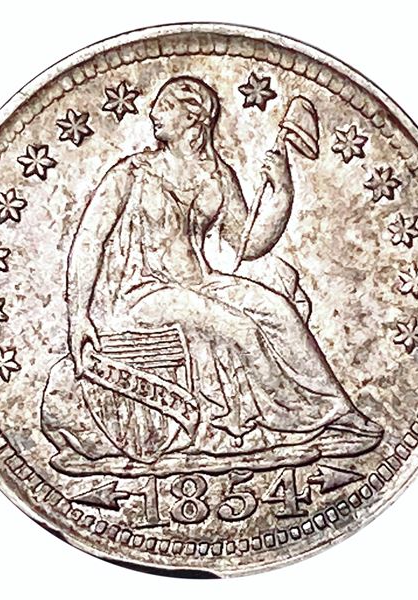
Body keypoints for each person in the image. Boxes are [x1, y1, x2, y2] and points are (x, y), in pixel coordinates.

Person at [41, 76, 382, 474]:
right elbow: (89, 240)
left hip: (201, 282)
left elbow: (248, 246)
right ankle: (287, 424)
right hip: (141, 293)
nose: (153, 113)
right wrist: (78, 315)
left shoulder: (219, 176)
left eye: (166, 106)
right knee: (238, 327)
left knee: (278, 310)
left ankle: (337, 412)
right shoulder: (131, 172)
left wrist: (282, 191)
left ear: (194, 117)